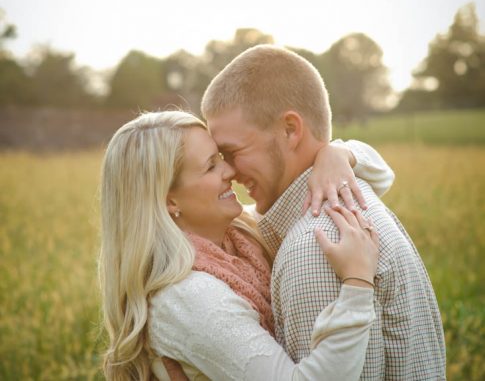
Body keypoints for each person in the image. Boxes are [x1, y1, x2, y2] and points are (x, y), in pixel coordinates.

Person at [201, 45, 447, 380]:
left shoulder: (315, 247)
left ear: (290, 129)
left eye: (231, 152)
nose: (227, 171)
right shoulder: (351, 201)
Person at [99, 110, 394, 380]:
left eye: (222, 157)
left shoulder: (244, 235)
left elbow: (380, 175)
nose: (230, 171)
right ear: (169, 200)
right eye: (210, 166)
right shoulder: (188, 297)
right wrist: (357, 284)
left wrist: (336, 155)